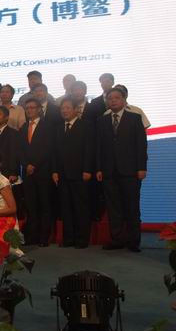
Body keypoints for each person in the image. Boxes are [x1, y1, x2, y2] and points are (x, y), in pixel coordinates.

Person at [96, 87, 147, 252]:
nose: (113, 100)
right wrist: (99, 168)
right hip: (108, 171)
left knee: (132, 207)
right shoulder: (102, 121)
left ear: (124, 100)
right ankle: (117, 239)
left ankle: (133, 241)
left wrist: (142, 167)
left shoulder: (135, 118)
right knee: (114, 208)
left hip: (130, 171)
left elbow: (141, 145)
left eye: (116, 98)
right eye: (110, 98)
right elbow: (99, 147)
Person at [52, 98, 94, 249]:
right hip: (62, 174)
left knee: (80, 207)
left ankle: (82, 239)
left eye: (68, 108)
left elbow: (89, 149)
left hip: (80, 173)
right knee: (66, 208)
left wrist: (87, 169)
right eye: (62, 108)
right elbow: (55, 152)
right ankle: (68, 238)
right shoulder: (58, 128)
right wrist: (55, 171)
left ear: (76, 109)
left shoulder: (86, 126)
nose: (64, 110)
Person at [19, 98, 54, 247]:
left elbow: (48, 148)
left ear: (39, 109)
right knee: (31, 206)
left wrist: (34, 165)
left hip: (43, 171)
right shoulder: (23, 127)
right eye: (27, 108)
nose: (29, 110)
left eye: (32, 108)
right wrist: (26, 164)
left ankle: (43, 237)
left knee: (44, 205)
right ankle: (32, 236)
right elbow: (20, 150)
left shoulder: (47, 126)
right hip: (28, 173)